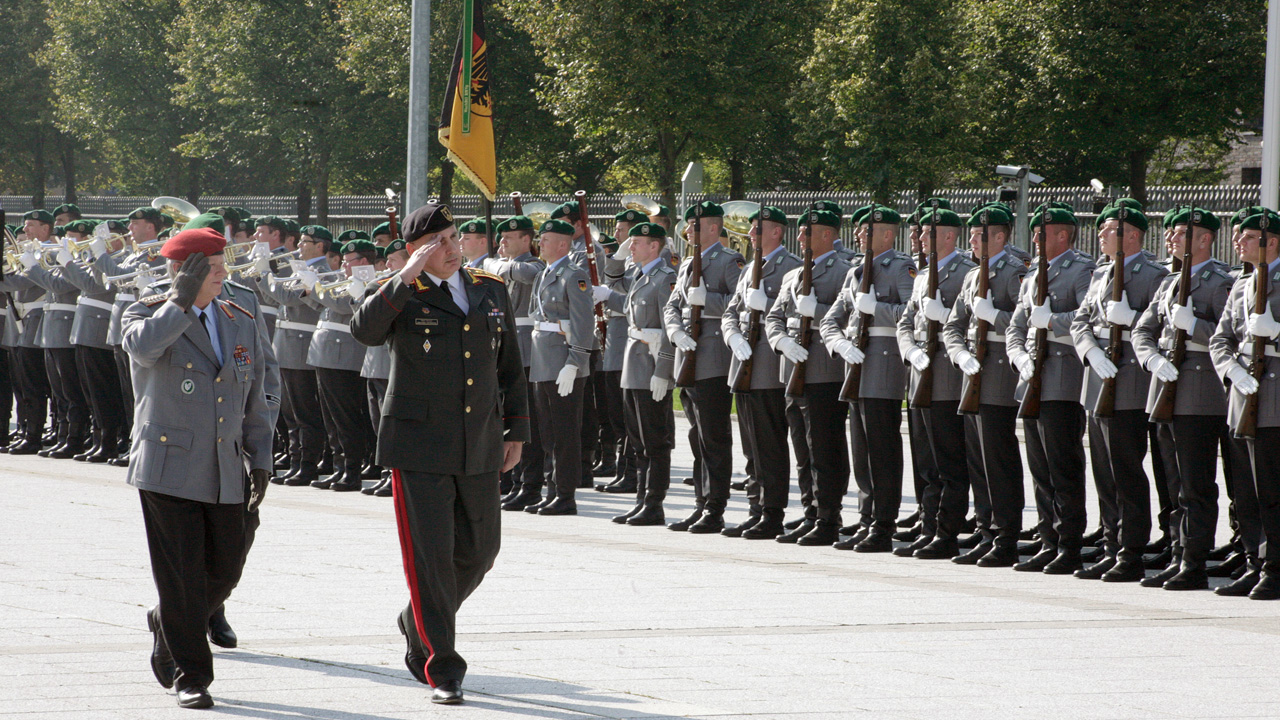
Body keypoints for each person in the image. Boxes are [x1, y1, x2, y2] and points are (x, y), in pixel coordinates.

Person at [350, 202, 528, 703]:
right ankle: (443, 667)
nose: (453, 249)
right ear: (416, 250)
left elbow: (510, 365)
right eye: (440, 242)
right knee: (430, 559)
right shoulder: (400, 292)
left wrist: (516, 430)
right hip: (419, 444)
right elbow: (363, 331)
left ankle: (416, 619)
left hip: (480, 441)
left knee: (481, 550)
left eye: (455, 238)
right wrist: (403, 277)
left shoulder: (488, 289)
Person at [122, 227, 273, 709]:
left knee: (227, 566)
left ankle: (167, 621)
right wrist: (179, 303)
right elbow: (143, 349)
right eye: (210, 269)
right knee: (182, 573)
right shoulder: (145, 312)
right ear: (183, 273)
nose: (222, 275)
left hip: (225, 465)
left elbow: (255, 396)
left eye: (221, 266)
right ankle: (192, 675)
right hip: (169, 466)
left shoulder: (239, 317)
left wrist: (261, 457)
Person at [1132, 207, 1232, 590]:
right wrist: (1152, 359)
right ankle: (1178, 552)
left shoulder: (1220, 282)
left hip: (1199, 393)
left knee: (1195, 484)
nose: (1169, 240)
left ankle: (1195, 561)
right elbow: (1144, 330)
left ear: (1203, 239)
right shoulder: (1169, 282)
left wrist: (1195, 328)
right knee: (1172, 483)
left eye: (1178, 234)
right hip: (1164, 389)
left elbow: (1232, 337)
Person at [1070, 202, 1169, 582]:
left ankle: (1132, 551)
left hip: (1131, 381)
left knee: (1127, 470)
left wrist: (1130, 320)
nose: (1100, 235)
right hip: (1098, 378)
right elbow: (1081, 320)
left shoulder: (1153, 274)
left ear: (1131, 235)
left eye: (1108, 229)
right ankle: (1112, 545)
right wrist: (1089, 350)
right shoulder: (1102, 271)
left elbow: (1162, 327)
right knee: (1105, 472)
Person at [1006, 205, 1097, 574]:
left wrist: (1053, 322)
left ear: (1063, 235)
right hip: (1032, 378)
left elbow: (1089, 316)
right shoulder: (1032, 275)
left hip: (1062, 378)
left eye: (1043, 234)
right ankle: (1049, 539)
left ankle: (1069, 544)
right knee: (1040, 468)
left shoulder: (1081, 270)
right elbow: (1016, 326)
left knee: (1064, 467)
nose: (1037, 240)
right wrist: (1019, 359)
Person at [819, 205, 916, 552]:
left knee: (882, 449)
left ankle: (884, 523)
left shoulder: (902, 267)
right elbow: (830, 320)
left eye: (866, 230)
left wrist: (877, 309)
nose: (859, 235)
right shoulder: (855, 271)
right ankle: (866, 518)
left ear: (887, 235)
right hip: (856, 365)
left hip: (885, 365)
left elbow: (913, 313)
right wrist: (840, 345)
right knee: (861, 450)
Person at [942, 206, 1029, 567]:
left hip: (999, 375)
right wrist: (960, 355)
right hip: (973, 374)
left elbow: (1024, 321)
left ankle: (1007, 534)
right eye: (973, 235)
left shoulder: (1013, 273)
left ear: (1000, 237)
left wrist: (994, 315)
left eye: (980, 235)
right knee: (977, 460)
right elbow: (952, 326)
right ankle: (986, 530)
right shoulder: (971, 275)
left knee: (998, 460)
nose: (972, 241)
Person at [765, 207, 854, 547]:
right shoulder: (792, 275)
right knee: (802, 448)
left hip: (824, 371)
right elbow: (774, 317)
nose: (800, 237)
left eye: (807, 232)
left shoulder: (844, 272)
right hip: (793, 370)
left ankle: (829, 516)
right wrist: (781, 341)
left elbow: (848, 321)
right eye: (800, 231)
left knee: (824, 448)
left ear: (828, 235)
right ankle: (811, 511)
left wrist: (814, 312)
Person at [895, 207, 977, 559]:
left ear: (948, 236)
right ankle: (929, 528)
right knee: (926, 463)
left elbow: (969, 323)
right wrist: (911, 352)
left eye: (928, 233)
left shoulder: (966, 272)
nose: (920, 239)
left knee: (949, 463)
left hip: (947, 377)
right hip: (920, 375)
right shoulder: (922, 275)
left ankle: (947, 532)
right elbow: (904, 323)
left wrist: (942, 317)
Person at [722, 206, 804, 539]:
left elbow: (794, 316)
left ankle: (773, 512)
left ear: (777, 232)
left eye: (759, 229)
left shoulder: (792, 267)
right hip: (743, 365)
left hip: (770, 367)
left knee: (770, 444)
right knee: (751, 445)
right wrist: (733, 336)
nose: (751, 234)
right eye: (752, 229)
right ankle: (756, 507)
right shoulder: (750, 267)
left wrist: (765, 307)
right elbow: (731, 312)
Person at [663, 201, 744, 533]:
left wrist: (706, 301)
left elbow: (739, 304)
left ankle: (715, 508)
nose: (688, 232)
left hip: (712, 359)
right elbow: (673, 305)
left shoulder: (729, 261)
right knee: (697, 437)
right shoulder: (685, 265)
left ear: (713, 228)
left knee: (714, 437)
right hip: (688, 356)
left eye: (695, 226)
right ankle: (701, 502)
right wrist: (674, 331)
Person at [598, 222, 678, 525]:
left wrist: (664, 371)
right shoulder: (642, 276)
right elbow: (627, 306)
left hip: (651, 366)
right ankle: (642, 499)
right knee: (638, 438)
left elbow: (670, 329)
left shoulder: (665, 278)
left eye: (637, 242)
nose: (631, 248)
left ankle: (654, 504)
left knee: (654, 438)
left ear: (654, 246)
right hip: (634, 365)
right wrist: (605, 292)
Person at [523, 219, 595, 515]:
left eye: (547, 239)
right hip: (543, 360)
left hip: (563, 363)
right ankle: (552, 490)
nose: (540, 243)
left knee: (565, 432)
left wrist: (575, 362)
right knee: (548, 431)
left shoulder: (574, 275)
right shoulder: (545, 274)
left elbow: (583, 322)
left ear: (563, 244)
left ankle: (566, 496)